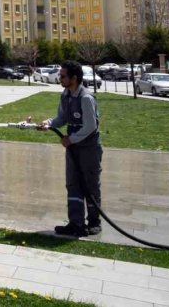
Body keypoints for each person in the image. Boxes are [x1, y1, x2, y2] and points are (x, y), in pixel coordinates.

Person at [39, 60, 103, 237]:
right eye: (60, 75)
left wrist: (71, 139)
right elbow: (61, 118)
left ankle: (94, 222)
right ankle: (76, 223)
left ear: (74, 78)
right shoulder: (65, 94)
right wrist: (49, 123)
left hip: (89, 148)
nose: (60, 78)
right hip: (73, 147)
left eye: (63, 76)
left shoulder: (86, 98)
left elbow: (90, 126)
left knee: (90, 184)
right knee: (73, 183)